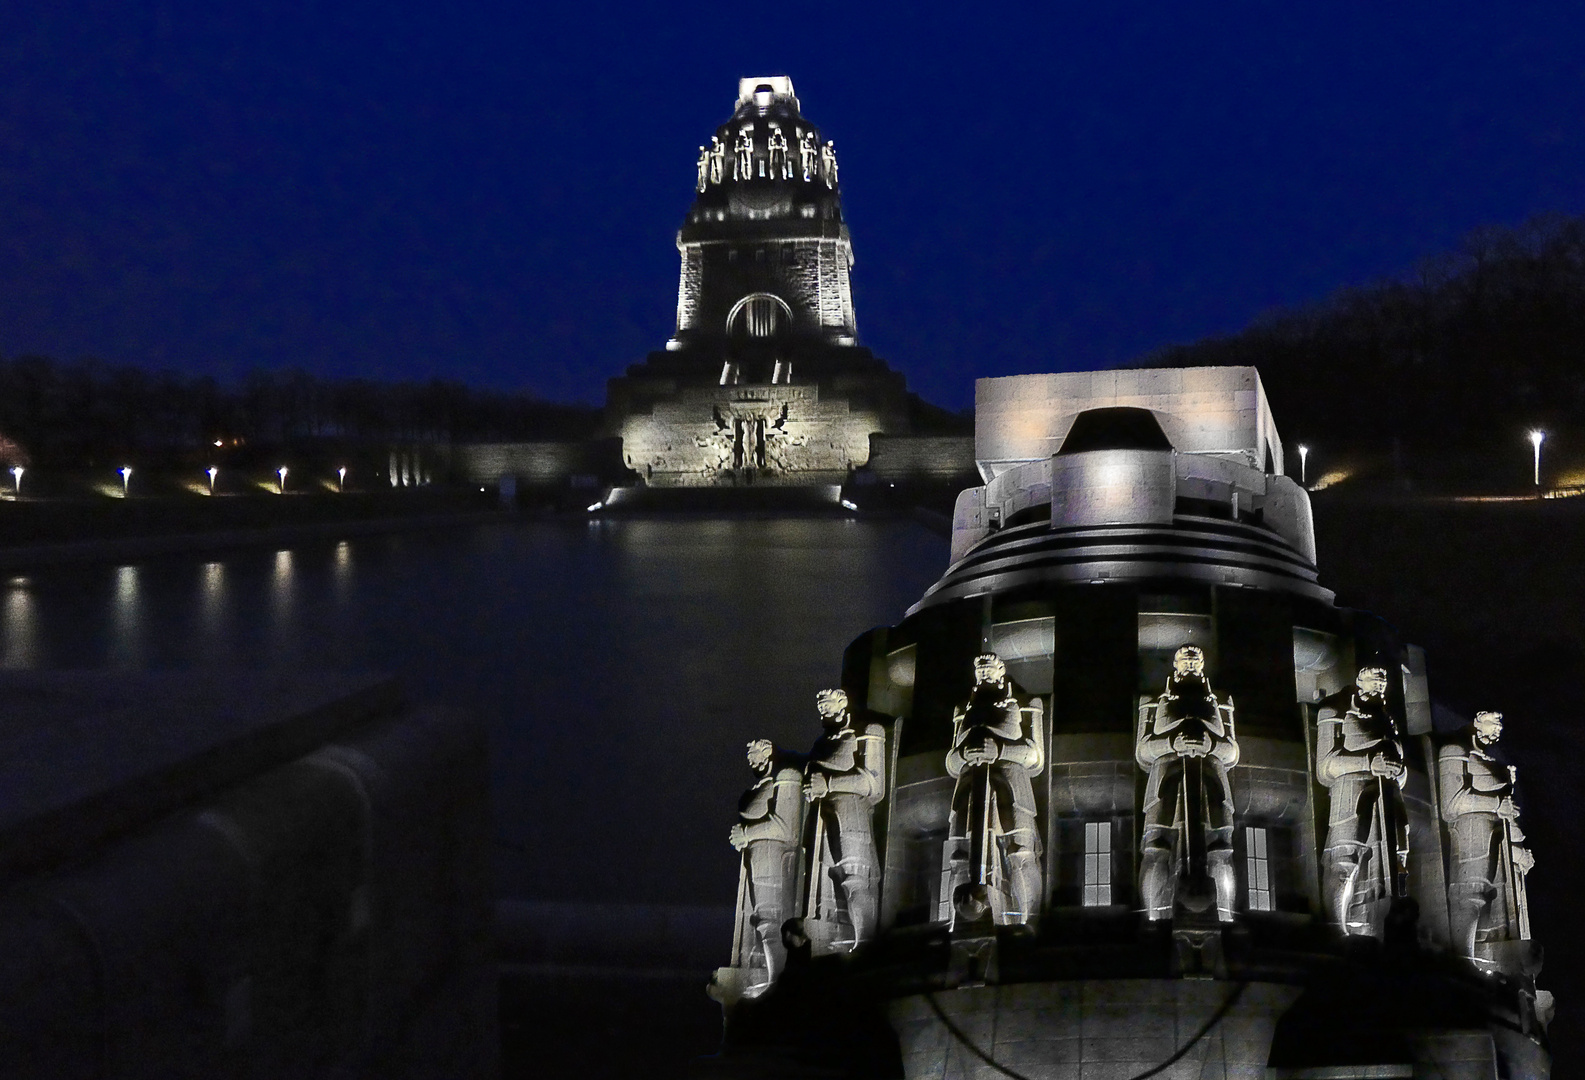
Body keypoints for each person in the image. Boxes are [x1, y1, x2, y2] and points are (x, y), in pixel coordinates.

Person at [1136, 645, 1239, 921]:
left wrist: (1211, 743)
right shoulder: (1153, 699)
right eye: (1186, 661)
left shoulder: (1220, 700)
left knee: (1220, 848)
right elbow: (1143, 751)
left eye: (1195, 662)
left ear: (1202, 665)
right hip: (1165, 780)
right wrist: (1172, 742)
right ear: (1176, 664)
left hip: (1212, 779)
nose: (1191, 666)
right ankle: (1154, 917)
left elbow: (1232, 751)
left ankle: (1225, 917)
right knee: (1157, 846)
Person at [943, 654, 1044, 926]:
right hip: (968, 789)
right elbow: (952, 762)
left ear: (1001, 671)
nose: (984, 675)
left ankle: (1026, 922)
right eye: (980, 671)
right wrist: (964, 753)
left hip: (1011, 787)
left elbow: (1035, 757)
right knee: (959, 858)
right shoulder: (963, 709)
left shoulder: (1023, 703)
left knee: (1019, 853)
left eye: (989, 670)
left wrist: (1000, 750)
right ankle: (958, 922)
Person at [1317, 665, 1409, 933]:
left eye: (1383, 682)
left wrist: (1397, 771)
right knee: (1345, 860)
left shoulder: (1388, 720)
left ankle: (1382, 929)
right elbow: (1325, 767)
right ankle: (1337, 928)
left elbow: (1400, 771)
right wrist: (1370, 762)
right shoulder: (1334, 710)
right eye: (1374, 680)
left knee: (1395, 862)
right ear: (1359, 681)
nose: (1379, 686)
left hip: (1390, 795)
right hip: (1352, 793)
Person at [1438, 711, 1532, 956]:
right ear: (1478, 722)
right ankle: (1465, 958)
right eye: (1494, 723)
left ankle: (1497, 965)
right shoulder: (1454, 749)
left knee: (1502, 907)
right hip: (1473, 832)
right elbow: (1451, 804)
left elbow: (1507, 813)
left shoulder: (1490, 758)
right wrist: (1496, 803)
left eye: (1501, 724)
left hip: (1498, 837)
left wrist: (1517, 850)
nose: (1499, 728)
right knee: (1471, 895)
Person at [803, 689, 886, 947]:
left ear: (843, 704)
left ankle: (864, 943)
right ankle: (836, 944)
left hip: (853, 815)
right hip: (823, 819)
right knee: (830, 885)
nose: (824, 712)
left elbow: (874, 784)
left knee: (856, 881)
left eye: (828, 705)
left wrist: (829, 783)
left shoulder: (866, 730)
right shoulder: (819, 744)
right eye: (821, 708)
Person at [728, 739, 804, 991]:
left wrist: (747, 832)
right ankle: (771, 980)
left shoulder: (784, 780)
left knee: (771, 922)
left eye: (757, 756)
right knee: (762, 921)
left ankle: (775, 983)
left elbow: (786, 828)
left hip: (773, 857)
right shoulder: (756, 790)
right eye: (750, 757)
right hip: (756, 858)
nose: (753, 762)